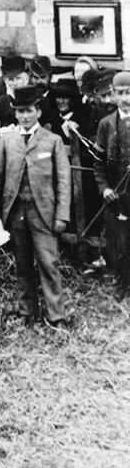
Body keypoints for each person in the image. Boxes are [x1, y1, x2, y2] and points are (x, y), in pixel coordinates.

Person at [0, 87, 71, 328]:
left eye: (29, 111)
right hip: (15, 214)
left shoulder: (52, 141)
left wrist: (62, 215)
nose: (24, 116)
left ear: (39, 111)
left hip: (43, 213)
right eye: (20, 112)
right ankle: (26, 311)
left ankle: (57, 316)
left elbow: (63, 182)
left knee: (48, 263)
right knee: (22, 264)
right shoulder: (7, 141)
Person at [94, 71, 130, 298]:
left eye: (128, 93)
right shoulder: (106, 125)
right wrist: (105, 187)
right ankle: (122, 282)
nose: (124, 97)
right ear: (113, 95)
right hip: (115, 195)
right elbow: (98, 164)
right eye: (120, 93)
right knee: (118, 242)